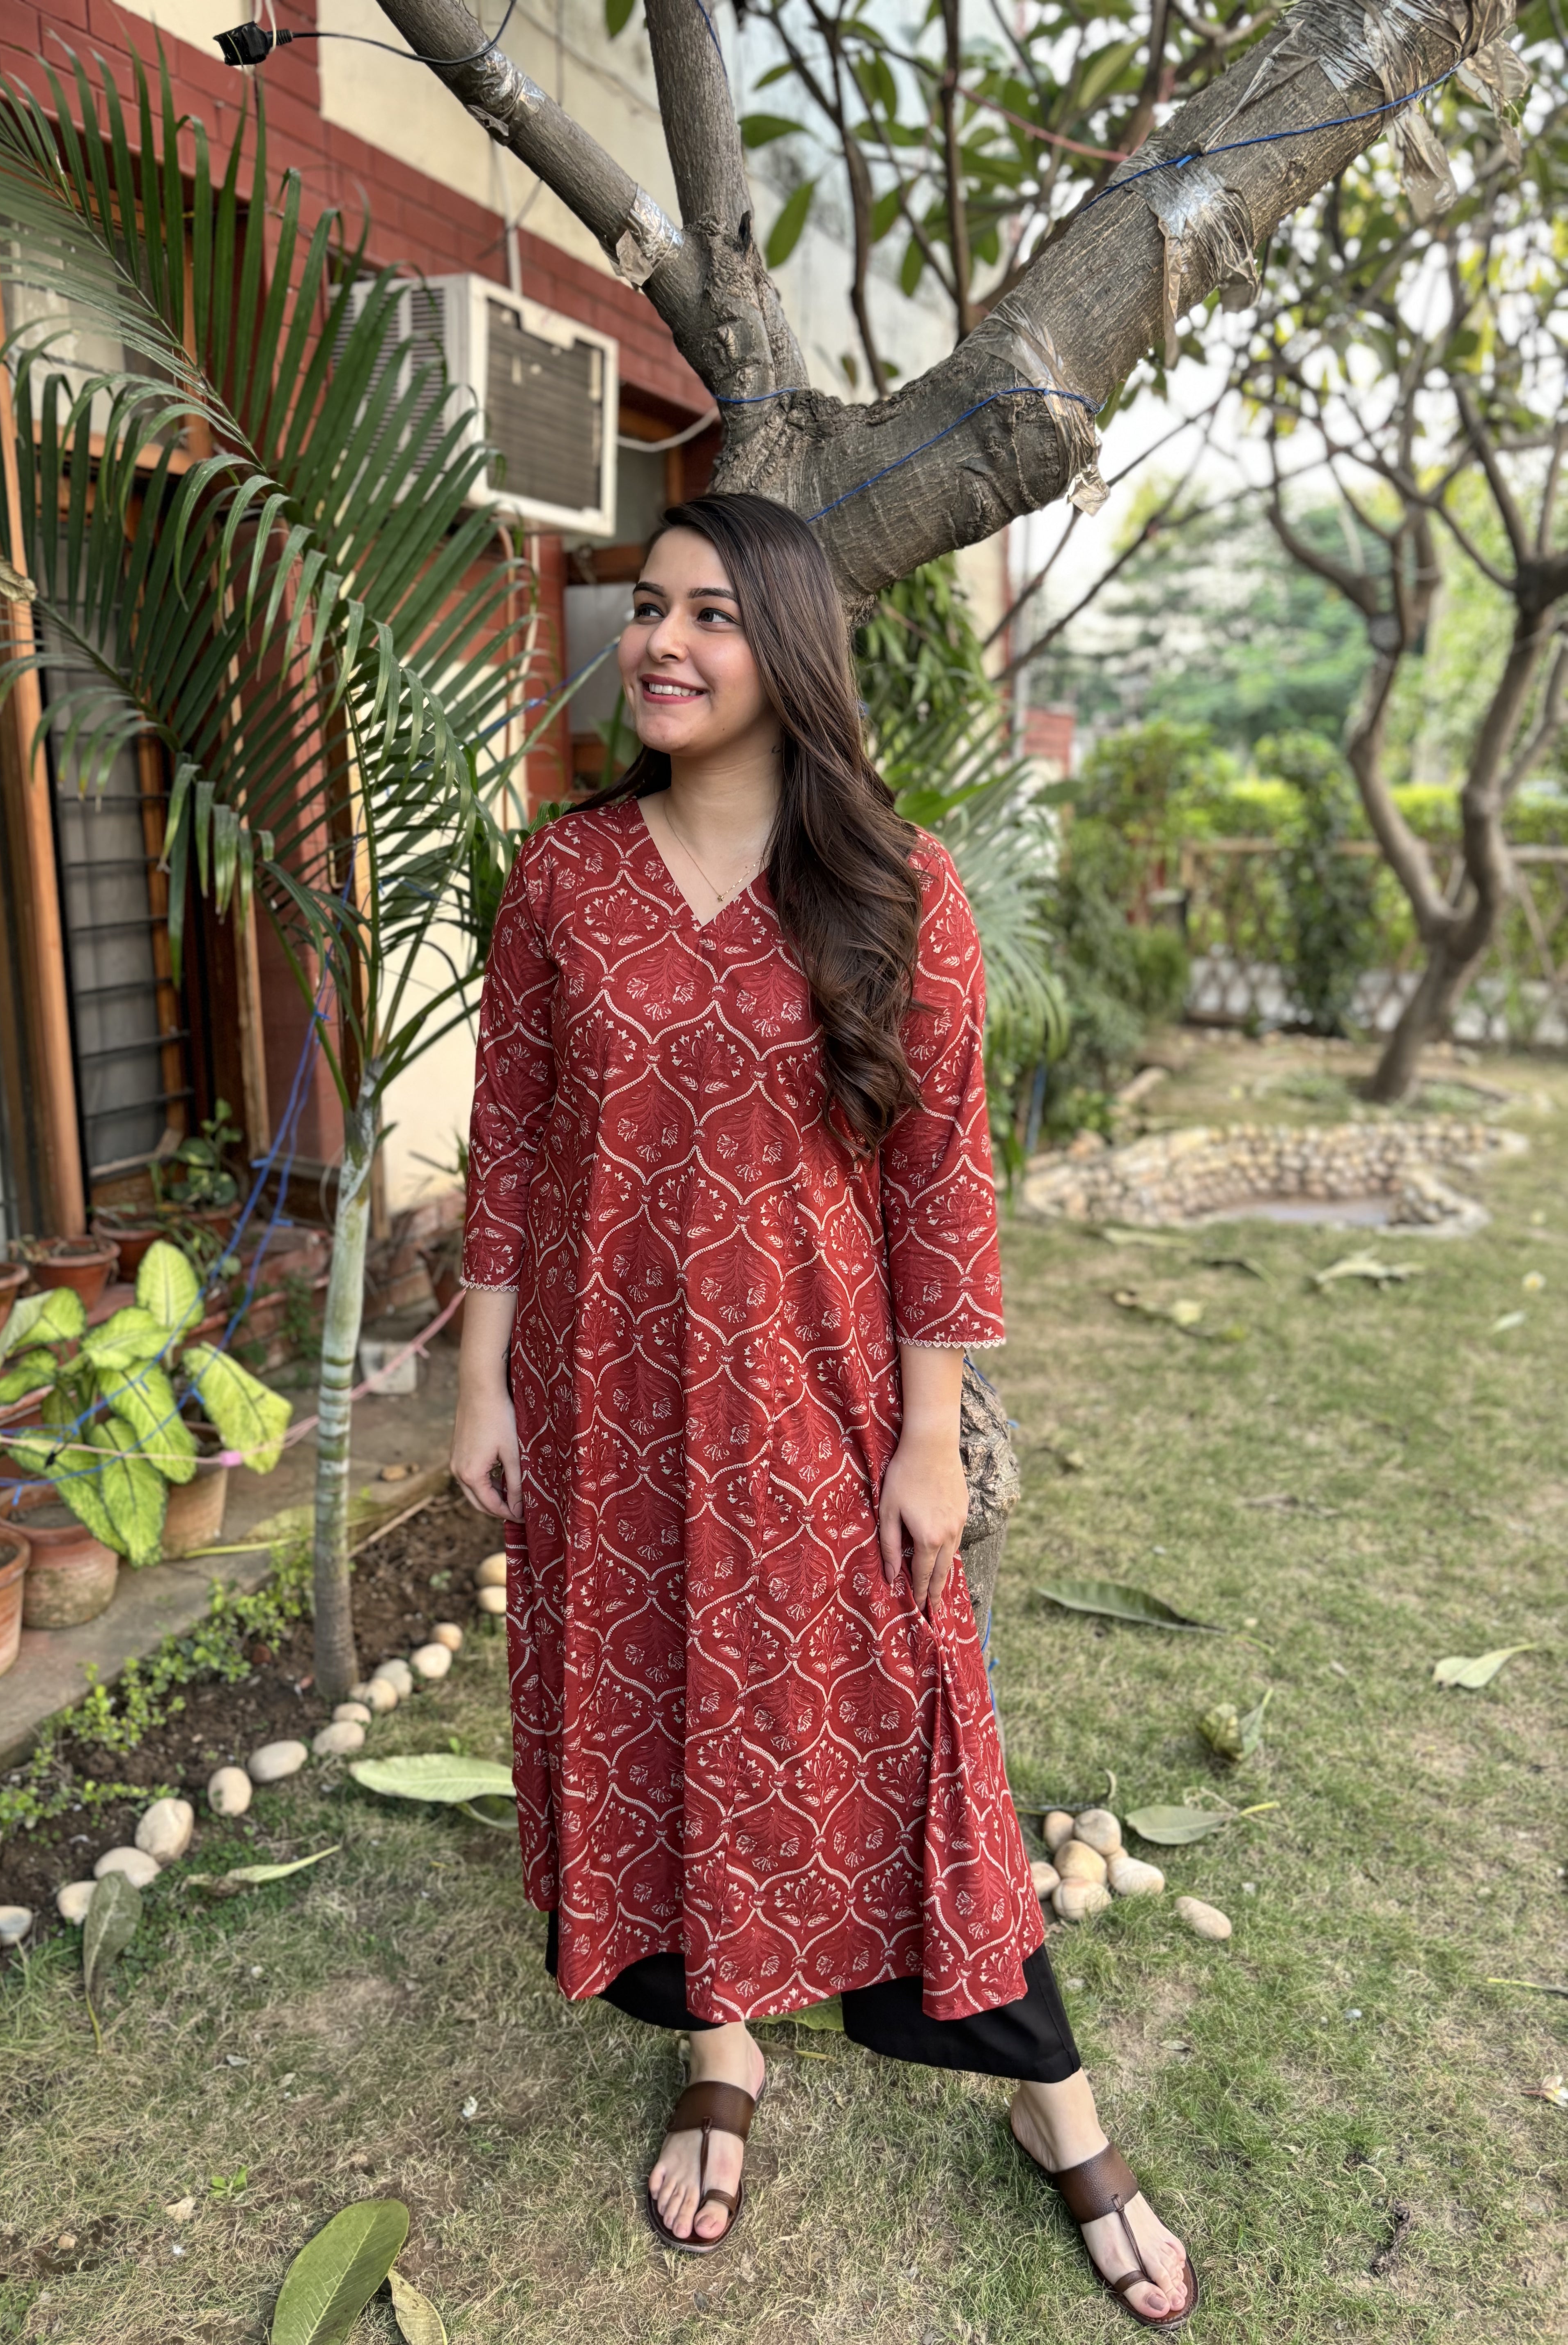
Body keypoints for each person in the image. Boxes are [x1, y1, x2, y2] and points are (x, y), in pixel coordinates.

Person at [450, 493, 1198, 2329]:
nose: (662, 642)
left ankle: (1053, 2103)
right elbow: (509, 1142)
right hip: (604, 1399)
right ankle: (721, 2049)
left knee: (898, 1727)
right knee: (655, 1700)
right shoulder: (565, 879)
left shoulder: (894, 887)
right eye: (648, 607)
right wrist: (480, 1381)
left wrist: (929, 1436)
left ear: (787, 648)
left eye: (711, 612)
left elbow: (943, 1180)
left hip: (815, 1396)